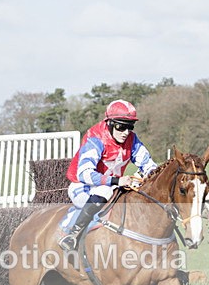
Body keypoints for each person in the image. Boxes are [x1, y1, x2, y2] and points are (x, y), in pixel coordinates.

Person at [59, 99, 158, 250]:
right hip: (83, 186)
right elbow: (84, 174)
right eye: (121, 127)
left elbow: (148, 164)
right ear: (110, 123)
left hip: (113, 187)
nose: (126, 132)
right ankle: (72, 235)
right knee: (104, 190)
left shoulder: (132, 139)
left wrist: (151, 176)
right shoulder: (95, 138)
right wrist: (117, 181)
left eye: (130, 127)